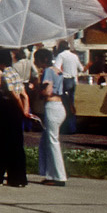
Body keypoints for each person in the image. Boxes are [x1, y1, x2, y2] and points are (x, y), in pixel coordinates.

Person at [0, 49, 37, 188]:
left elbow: (14, 95)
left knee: (2, 143)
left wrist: (19, 107)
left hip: (8, 110)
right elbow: (24, 94)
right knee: (17, 144)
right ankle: (17, 178)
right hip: (17, 113)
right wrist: (25, 110)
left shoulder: (6, 74)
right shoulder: (14, 72)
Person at [37, 49, 69, 186]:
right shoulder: (57, 70)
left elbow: (48, 91)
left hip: (52, 106)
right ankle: (51, 173)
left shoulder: (48, 72)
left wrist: (38, 90)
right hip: (60, 106)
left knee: (52, 141)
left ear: (41, 60)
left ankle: (59, 176)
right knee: (47, 141)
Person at [53, 40, 82, 136]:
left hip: (65, 80)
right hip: (73, 81)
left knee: (65, 104)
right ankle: (72, 127)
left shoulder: (61, 55)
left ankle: (66, 127)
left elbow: (56, 68)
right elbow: (81, 69)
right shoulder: (74, 56)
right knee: (71, 103)